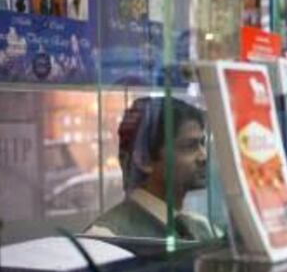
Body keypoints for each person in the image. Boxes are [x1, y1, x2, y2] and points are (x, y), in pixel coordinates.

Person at [86, 97, 216, 241]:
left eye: (202, 143)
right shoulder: (107, 236)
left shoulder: (202, 227)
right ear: (144, 160)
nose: (203, 156)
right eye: (188, 146)